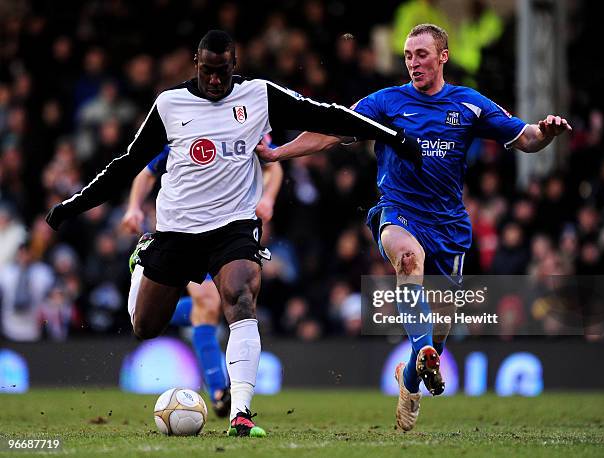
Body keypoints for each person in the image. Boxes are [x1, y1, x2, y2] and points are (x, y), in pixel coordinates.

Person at [45, 30, 420, 437]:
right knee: (145, 326)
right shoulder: (169, 104)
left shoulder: (259, 95)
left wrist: (393, 136)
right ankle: (143, 260)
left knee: (241, 298)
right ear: (196, 63)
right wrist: (73, 205)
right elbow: (127, 164)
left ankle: (241, 412)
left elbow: (325, 114)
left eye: (222, 72)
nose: (215, 80)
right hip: (176, 231)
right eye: (208, 71)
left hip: (233, 228)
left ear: (234, 66)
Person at [256, 23, 572, 432]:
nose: (413, 62)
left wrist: (546, 133)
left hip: (449, 225)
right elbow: (332, 131)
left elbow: (525, 138)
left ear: (443, 56)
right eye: (407, 55)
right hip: (399, 211)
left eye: (421, 54)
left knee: (441, 327)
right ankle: (422, 350)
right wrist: (279, 152)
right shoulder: (386, 102)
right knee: (408, 259)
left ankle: (411, 375)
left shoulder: (469, 105)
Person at [120, 141, 282, 417]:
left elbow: (273, 163)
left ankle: (221, 394)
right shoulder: (181, 134)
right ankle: (219, 389)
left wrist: (268, 198)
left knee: (212, 307)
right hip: (184, 233)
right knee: (201, 305)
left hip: (229, 233)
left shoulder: (238, 126)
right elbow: (147, 173)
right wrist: (133, 207)